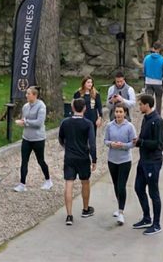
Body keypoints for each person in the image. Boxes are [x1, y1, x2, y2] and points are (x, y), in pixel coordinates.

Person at [58, 97, 96, 226]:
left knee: (69, 183)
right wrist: (94, 158)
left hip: (69, 156)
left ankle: (69, 215)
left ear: (72, 107)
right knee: (85, 182)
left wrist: (66, 147)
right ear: (84, 108)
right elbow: (92, 143)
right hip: (83, 156)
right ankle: (85, 209)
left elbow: (61, 138)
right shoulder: (88, 124)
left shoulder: (65, 122)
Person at [133, 94, 163, 235]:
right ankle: (146, 218)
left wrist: (141, 142)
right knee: (138, 188)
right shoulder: (145, 118)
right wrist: (138, 141)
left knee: (153, 193)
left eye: (141, 104)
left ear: (147, 105)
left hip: (153, 162)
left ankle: (156, 224)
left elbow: (159, 144)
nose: (139, 107)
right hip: (143, 160)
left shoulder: (157, 121)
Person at [103, 104, 136, 226]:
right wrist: (111, 144)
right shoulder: (109, 126)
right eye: (116, 112)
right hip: (112, 160)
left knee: (122, 186)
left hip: (125, 161)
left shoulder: (129, 127)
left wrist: (123, 145)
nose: (118, 114)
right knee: (116, 185)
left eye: (120, 112)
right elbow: (105, 140)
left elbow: (133, 143)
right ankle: (119, 206)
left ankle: (121, 212)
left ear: (125, 113)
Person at [14, 86, 52, 192]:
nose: (26, 95)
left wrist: (25, 122)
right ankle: (22, 184)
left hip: (38, 138)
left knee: (40, 160)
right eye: (26, 93)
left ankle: (48, 180)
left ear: (34, 95)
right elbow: (24, 119)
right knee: (24, 161)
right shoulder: (25, 106)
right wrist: (23, 122)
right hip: (26, 137)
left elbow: (39, 123)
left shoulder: (41, 106)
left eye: (28, 94)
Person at [142, 41, 163, 116]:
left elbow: (144, 69)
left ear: (153, 48)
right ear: (159, 49)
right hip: (158, 82)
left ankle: (148, 114)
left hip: (148, 81)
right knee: (158, 100)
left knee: (148, 100)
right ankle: (158, 116)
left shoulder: (146, 58)